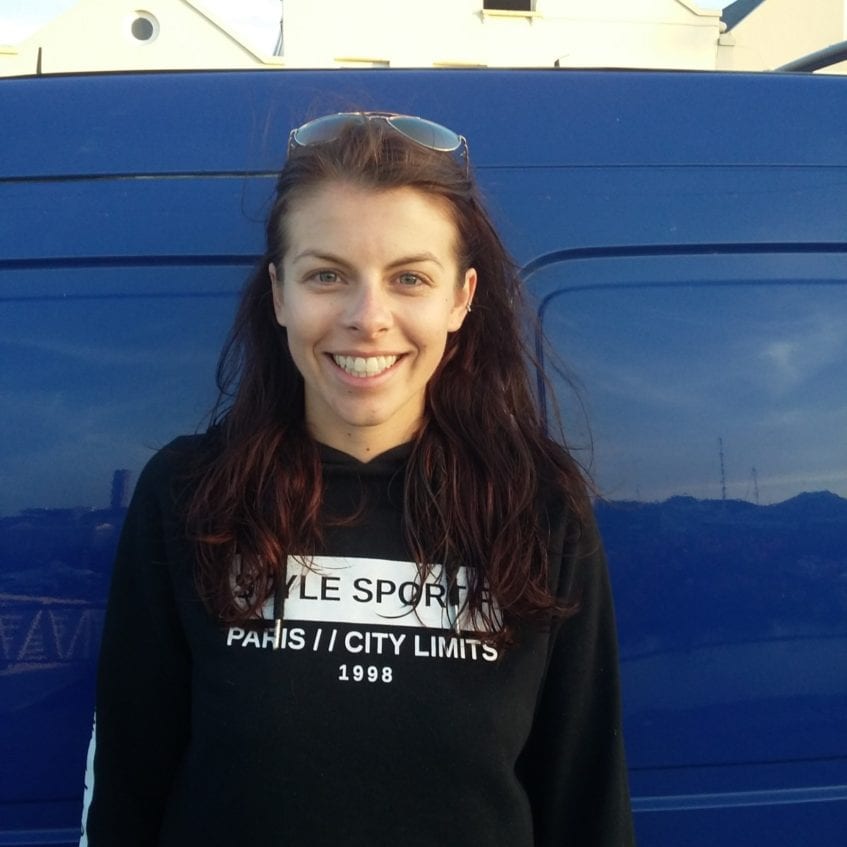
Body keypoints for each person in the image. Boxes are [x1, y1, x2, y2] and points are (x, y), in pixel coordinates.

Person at [80, 112, 635, 846]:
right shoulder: (187, 494)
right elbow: (127, 787)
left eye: (409, 278)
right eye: (327, 275)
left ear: (461, 298)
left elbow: (586, 798)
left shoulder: (536, 506)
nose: (368, 318)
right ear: (279, 293)